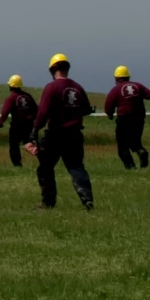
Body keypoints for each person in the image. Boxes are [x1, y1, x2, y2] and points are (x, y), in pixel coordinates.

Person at [23, 53, 95, 210]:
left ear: (52, 69)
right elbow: (86, 109)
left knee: (45, 168)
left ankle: (48, 202)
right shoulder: (77, 87)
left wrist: (34, 131)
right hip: (75, 134)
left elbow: (42, 112)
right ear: (67, 68)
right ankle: (87, 199)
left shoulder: (52, 87)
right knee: (76, 167)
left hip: (55, 135)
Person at [102, 65, 150, 169]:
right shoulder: (138, 86)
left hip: (124, 119)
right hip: (139, 119)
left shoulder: (116, 89)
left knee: (122, 146)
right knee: (135, 141)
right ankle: (141, 151)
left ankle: (131, 167)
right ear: (128, 77)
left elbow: (108, 106)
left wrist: (110, 115)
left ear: (116, 78)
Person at [0, 74, 38, 166]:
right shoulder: (28, 96)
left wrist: (1, 122)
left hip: (17, 126)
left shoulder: (11, 98)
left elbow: (5, 111)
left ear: (10, 86)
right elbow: (36, 109)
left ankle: (17, 163)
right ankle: (42, 157)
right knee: (30, 143)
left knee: (14, 145)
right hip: (29, 125)